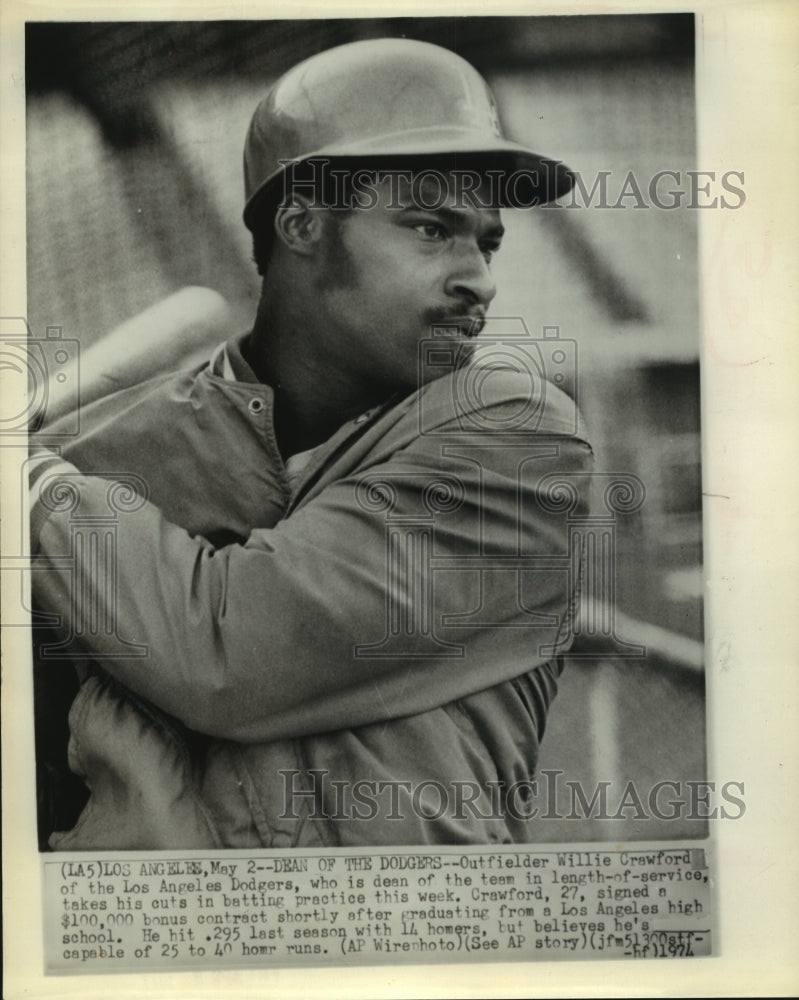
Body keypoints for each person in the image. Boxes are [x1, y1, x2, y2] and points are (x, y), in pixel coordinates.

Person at [29, 38, 593, 849]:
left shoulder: (515, 436)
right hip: (157, 958)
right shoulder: (111, 453)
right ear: (300, 224)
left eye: (486, 240)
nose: (480, 276)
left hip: (406, 955)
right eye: (431, 229)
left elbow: (229, 654)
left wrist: (30, 488)